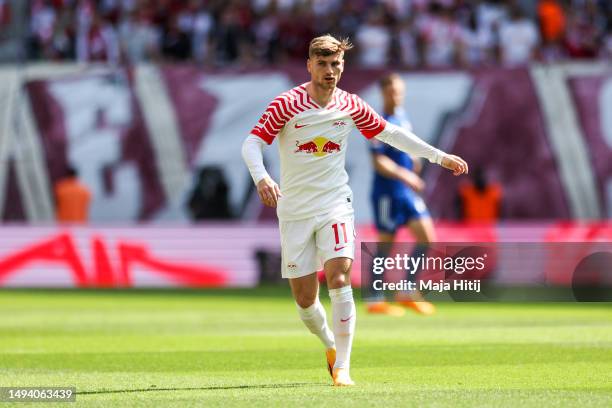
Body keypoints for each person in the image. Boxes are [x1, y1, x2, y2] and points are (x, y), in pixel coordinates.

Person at [241, 35, 468, 386]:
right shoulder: (287, 104)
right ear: (310, 66)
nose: (330, 71)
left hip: (335, 205)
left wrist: (439, 156)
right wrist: (262, 178)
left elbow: (391, 134)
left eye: (336, 65)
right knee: (305, 301)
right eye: (323, 64)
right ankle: (330, 344)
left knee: (340, 278)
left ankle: (344, 369)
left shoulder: (350, 105)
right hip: (295, 211)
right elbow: (252, 142)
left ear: (342, 67)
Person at [367, 73, 437, 317]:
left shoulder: (402, 117)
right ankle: (374, 298)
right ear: (383, 93)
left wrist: (414, 159)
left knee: (427, 236)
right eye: (392, 91)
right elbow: (378, 161)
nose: (396, 95)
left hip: (405, 192)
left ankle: (406, 291)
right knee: (385, 245)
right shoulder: (378, 122)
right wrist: (406, 175)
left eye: (399, 91)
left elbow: (405, 147)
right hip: (387, 192)